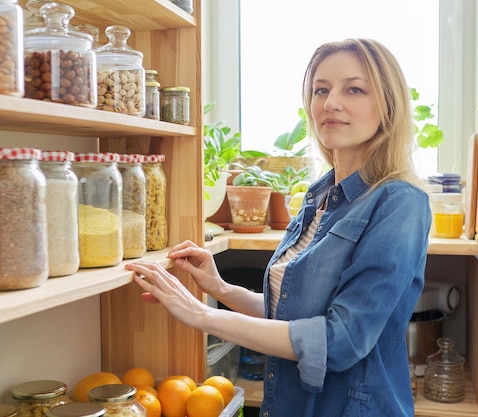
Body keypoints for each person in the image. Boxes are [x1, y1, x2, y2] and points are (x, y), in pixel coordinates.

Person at [126, 38, 432, 417]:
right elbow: (292, 315)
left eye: (354, 89)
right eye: (321, 90)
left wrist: (202, 315)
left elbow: (340, 340)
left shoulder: (400, 203)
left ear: (388, 105)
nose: (330, 102)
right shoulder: (319, 197)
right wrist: (220, 288)